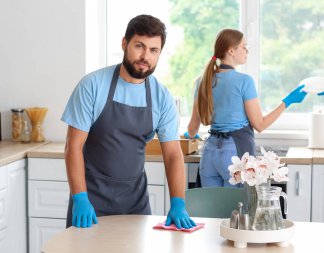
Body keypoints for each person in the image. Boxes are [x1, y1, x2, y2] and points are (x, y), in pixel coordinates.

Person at [62, 14, 196, 229]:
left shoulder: (162, 97)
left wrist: (178, 202)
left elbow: (172, 155)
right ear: (125, 43)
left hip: (136, 204)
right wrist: (79, 198)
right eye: (139, 46)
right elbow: (73, 147)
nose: (145, 56)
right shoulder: (93, 85)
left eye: (154, 50)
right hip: (90, 200)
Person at [186, 28, 307, 187]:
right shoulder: (244, 81)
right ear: (231, 50)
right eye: (243, 46)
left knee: (210, 209)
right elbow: (260, 125)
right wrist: (287, 101)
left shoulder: (202, 81)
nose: (247, 51)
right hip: (233, 156)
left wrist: (188, 134)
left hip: (209, 154)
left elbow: (192, 129)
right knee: (235, 211)